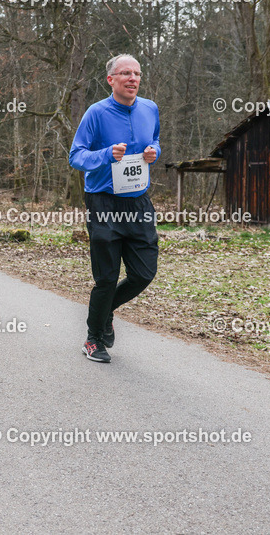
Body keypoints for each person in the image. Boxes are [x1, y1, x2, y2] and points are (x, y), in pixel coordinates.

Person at [68, 54, 160, 364]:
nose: (132, 78)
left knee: (144, 273)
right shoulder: (96, 113)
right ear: (111, 80)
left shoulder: (150, 109)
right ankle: (94, 339)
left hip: (138, 202)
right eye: (125, 73)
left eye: (136, 73)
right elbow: (76, 157)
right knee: (106, 278)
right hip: (103, 200)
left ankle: (104, 311)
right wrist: (107, 154)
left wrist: (153, 152)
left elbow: (156, 140)